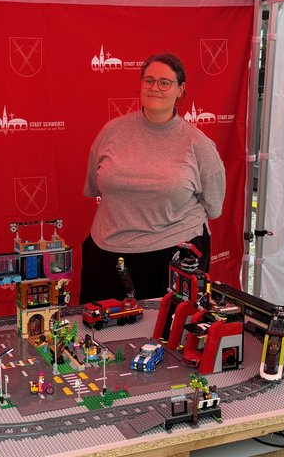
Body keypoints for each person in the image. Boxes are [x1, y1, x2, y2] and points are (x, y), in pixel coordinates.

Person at [80, 53, 225, 303]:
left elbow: (214, 206)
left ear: (180, 89)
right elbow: (95, 186)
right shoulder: (112, 132)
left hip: (173, 259)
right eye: (149, 80)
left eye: (165, 82)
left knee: (168, 328)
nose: (155, 88)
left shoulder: (197, 143)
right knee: (104, 327)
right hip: (108, 256)